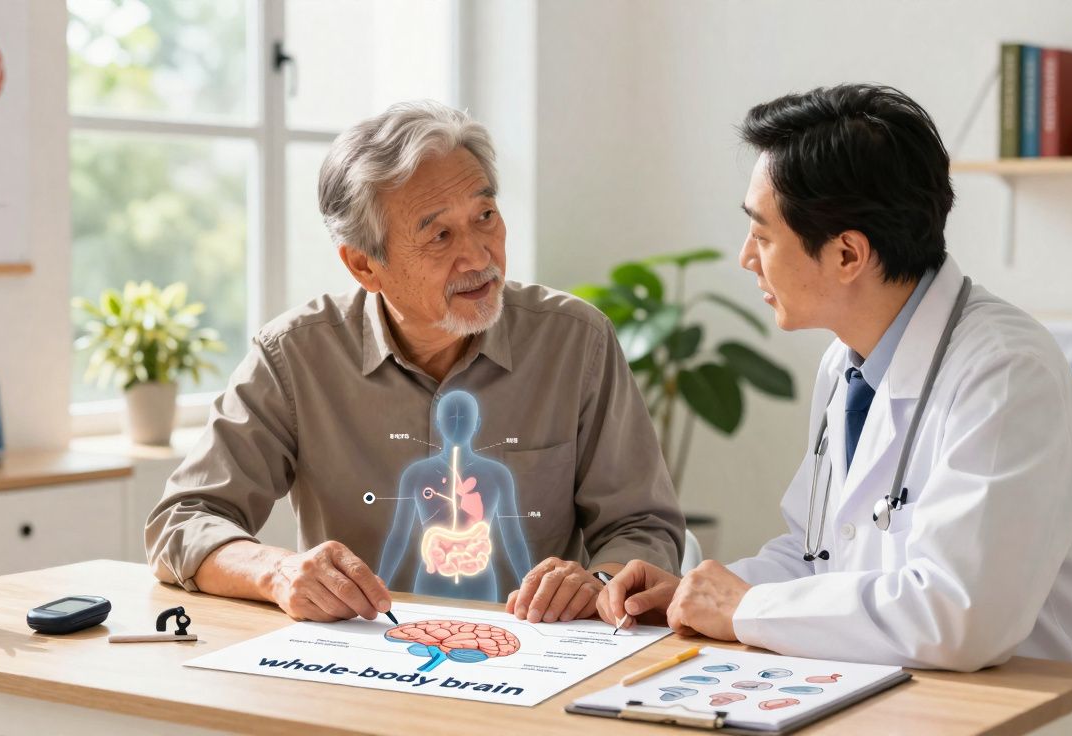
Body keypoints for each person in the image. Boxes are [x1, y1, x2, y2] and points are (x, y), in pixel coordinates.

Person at [596, 84, 1072, 736]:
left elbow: (958, 617)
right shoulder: (848, 361)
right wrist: (691, 594)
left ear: (848, 254)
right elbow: (816, 555)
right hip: (902, 703)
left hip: (1038, 720)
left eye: (761, 234)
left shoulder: (1005, 372)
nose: (746, 258)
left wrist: (744, 608)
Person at [146, 100, 684, 628]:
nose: (480, 256)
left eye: (485, 216)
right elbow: (183, 521)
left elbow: (643, 525)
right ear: (364, 265)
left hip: (536, 655)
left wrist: (598, 580)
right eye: (440, 235)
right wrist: (277, 571)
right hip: (359, 658)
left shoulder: (576, 341)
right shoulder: (293, 357)